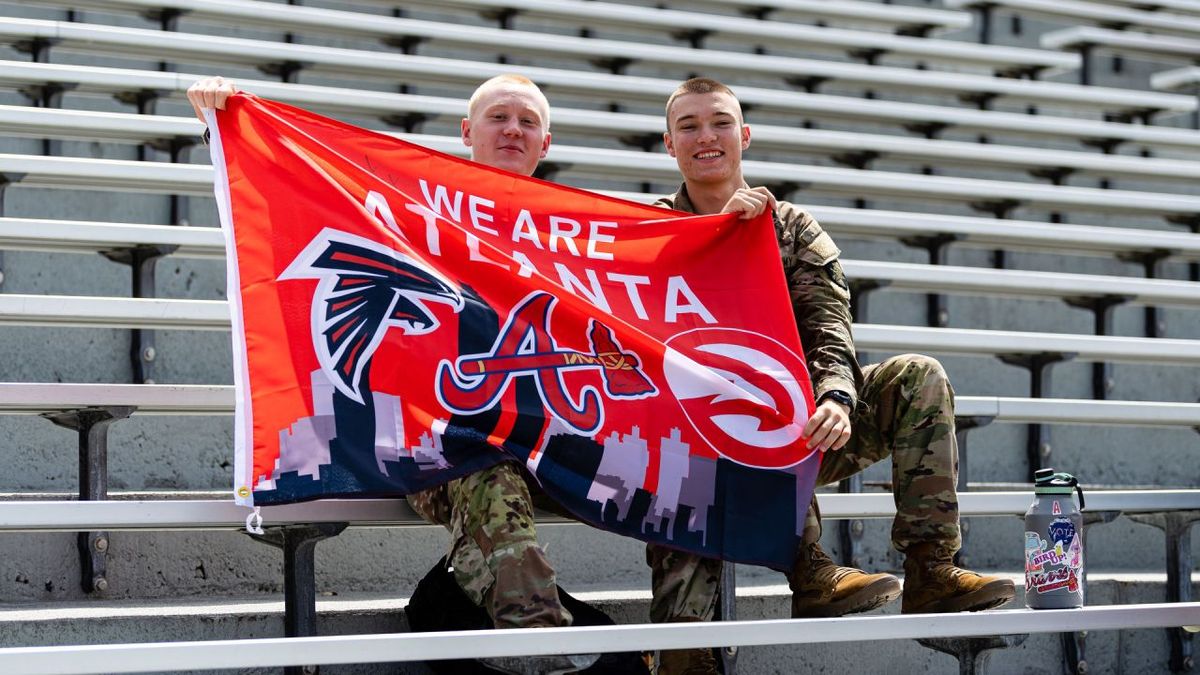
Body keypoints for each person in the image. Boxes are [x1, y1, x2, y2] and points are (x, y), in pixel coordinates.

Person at [188, 74, 598, 675]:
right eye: (498, 117)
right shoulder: (417, 205)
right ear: (467, 132)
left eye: (527, 121)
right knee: (492, 470)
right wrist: (225, 125)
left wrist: (735, 215)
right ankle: (537, 642)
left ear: (546, 142)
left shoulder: (580, 233)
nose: (513, 129)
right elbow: (302, 191)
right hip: (448, 441)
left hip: (557, 441)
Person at [646, 77, 1015, 675]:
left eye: (719, 122)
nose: (705, 137)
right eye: (688, 126)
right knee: (701, 434)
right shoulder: (648, 230)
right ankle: (712, 631)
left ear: (743, 135)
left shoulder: (790, 226)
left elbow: (829, 325)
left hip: (797, 427)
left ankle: (930, 571)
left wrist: (837, 396)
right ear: (669, 144)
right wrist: (709, 243)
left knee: (917, 376)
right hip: (692, 440)